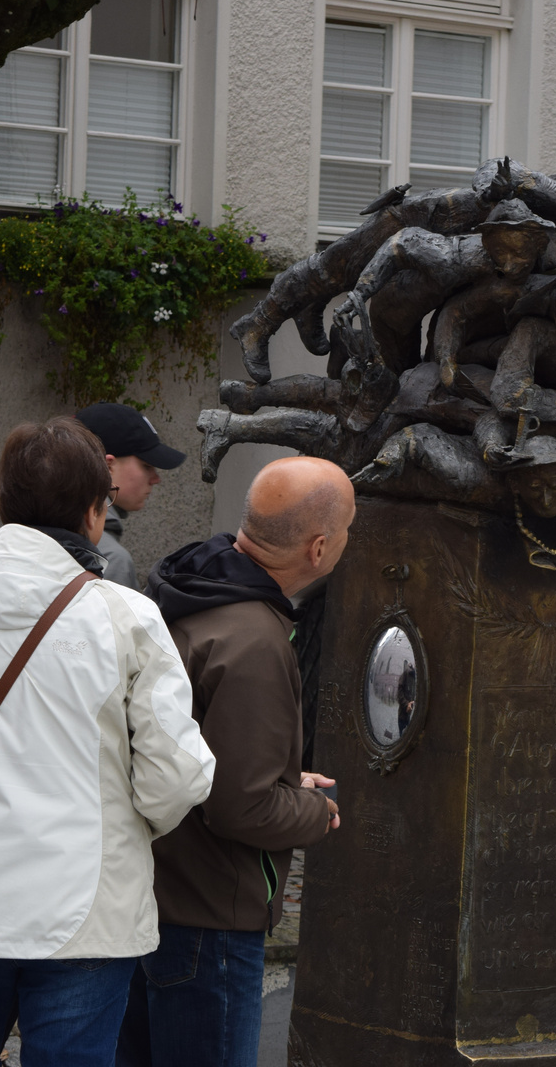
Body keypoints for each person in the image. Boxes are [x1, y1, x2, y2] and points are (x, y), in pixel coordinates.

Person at [0, 417, 216, 1065]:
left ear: (5, 506)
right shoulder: (127, 616)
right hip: (84, 912)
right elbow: (176, 777)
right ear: (94, 510)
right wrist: (123, 825)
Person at [119, 457, 355, 1066]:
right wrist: (313, 810)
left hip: (155, 894)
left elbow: (196, 754)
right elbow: (239, 806)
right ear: (319, 545)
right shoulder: (254, 637)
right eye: (349, 530)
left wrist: (281, 775)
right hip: (211, 918)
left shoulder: (192, 591)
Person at [75, 403, 189, 588]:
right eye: (147, 466)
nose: (156, 479)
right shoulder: (109, 559)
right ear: (108, 466)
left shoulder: (32, 527)